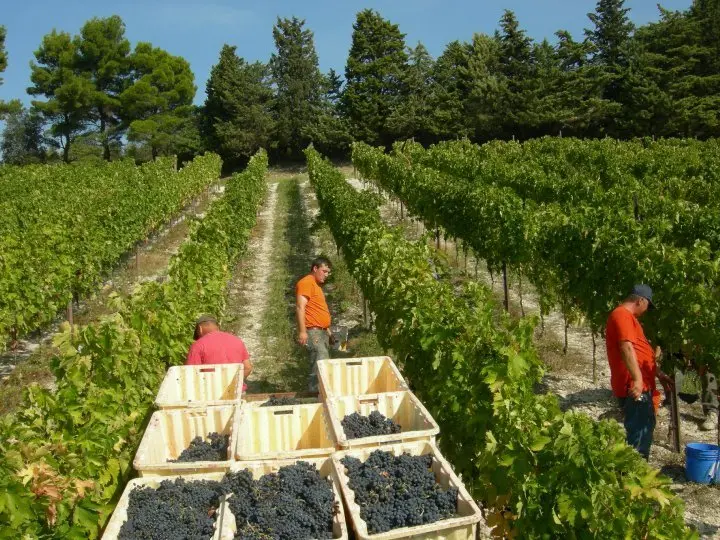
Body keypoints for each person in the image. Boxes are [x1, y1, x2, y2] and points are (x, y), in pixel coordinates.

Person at [605, 284, 674, 460]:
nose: (647, 310)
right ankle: (634, 472)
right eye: (648, 305)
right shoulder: (622, 314)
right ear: (640, 300)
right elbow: (626, 347)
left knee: (644, 428)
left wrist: (657, 372)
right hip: (634, 385)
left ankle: (635, 469)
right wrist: (637, 379)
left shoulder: (628, 317)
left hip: (640, 383)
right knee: (638, 436)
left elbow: (638, 351)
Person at [296, 256, 333, 392]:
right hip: (313, 331)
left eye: (328, 272)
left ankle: (320, 392)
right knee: (320, 361)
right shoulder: (306, 282)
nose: (326, 275)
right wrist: (302, 331)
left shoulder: (316, 285)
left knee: (323, 362)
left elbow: (317, 311)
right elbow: (300, 307)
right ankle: (315, 393)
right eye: (324, 271)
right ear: (315, 268)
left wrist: (329, 332)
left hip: (321, 331)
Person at [186, 315, 253, 388]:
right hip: (236, 391)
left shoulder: (198, 345)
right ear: (217, 327)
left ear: (200, 329)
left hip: (210, 391)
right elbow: (248, 368)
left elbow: (191, 373)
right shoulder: (237, 340)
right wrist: (233, 384)